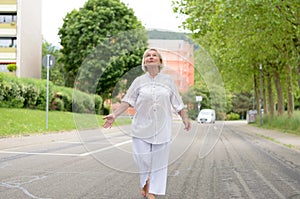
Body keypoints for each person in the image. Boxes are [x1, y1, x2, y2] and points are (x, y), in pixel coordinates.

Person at [103, 48, 191, 199]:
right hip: (141, 127)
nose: (150, 57)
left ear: (160, 61)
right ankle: (146, 180)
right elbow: (127, 101)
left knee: (159, 162)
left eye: (154, 55)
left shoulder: (168, 81)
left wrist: (185, 118)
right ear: (144, 62)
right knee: (143, 158)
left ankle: (152, 191)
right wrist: (114, 115)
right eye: (147, 56)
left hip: (162, 128)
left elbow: (177, 102)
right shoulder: (139, 81)